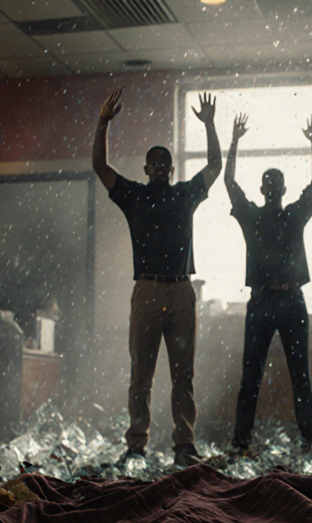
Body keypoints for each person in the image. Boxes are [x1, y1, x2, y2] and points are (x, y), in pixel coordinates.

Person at [92, 87, 221, 467]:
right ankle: (136, 445)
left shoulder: (184, 195)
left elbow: (214, 166)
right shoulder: (133, 195)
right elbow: (100, 168)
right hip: (147, 289)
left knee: (184, 376)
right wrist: (102, 125)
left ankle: (184, 446)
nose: (161, 167)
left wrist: (210, 124)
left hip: (181, 290)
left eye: (166, 163)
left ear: (172, 169)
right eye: (155, 163)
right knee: (141, 375)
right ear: (147, 170)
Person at [225, 113, 312, 453]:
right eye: (270, 183)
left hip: (286, 301)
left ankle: (307, 442)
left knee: (296, 377)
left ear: (278, 189)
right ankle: (242, 442)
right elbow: (229, 184)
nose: (272, 188)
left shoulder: (289, 215)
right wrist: (234, 142)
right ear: (268, 189)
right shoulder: (256, 216)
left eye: (275, 183)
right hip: (268, 302)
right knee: (255, 377)